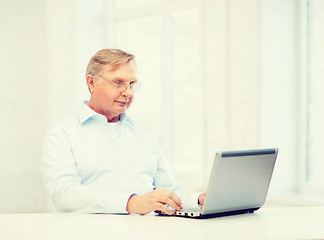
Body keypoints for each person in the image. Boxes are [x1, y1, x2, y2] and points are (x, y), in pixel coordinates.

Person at [41, 48, 206, 215]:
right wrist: (130, 203)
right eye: (118, 82)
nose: (127, 92)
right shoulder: (61, 135)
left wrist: (199, 200)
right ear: (92, 83)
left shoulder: (145, 136)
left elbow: (169, 191)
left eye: (132, 84)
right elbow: (65, 195)